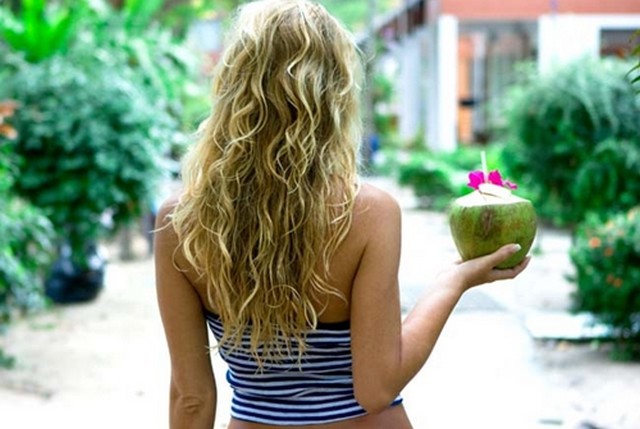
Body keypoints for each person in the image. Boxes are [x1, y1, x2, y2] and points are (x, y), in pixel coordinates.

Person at [154, 1, 531, 428]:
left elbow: (191, 398)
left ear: (231, 86)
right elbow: (376, 388)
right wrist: (453, 280)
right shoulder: (369, 213)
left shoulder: (178, 223)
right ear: (334, 93)